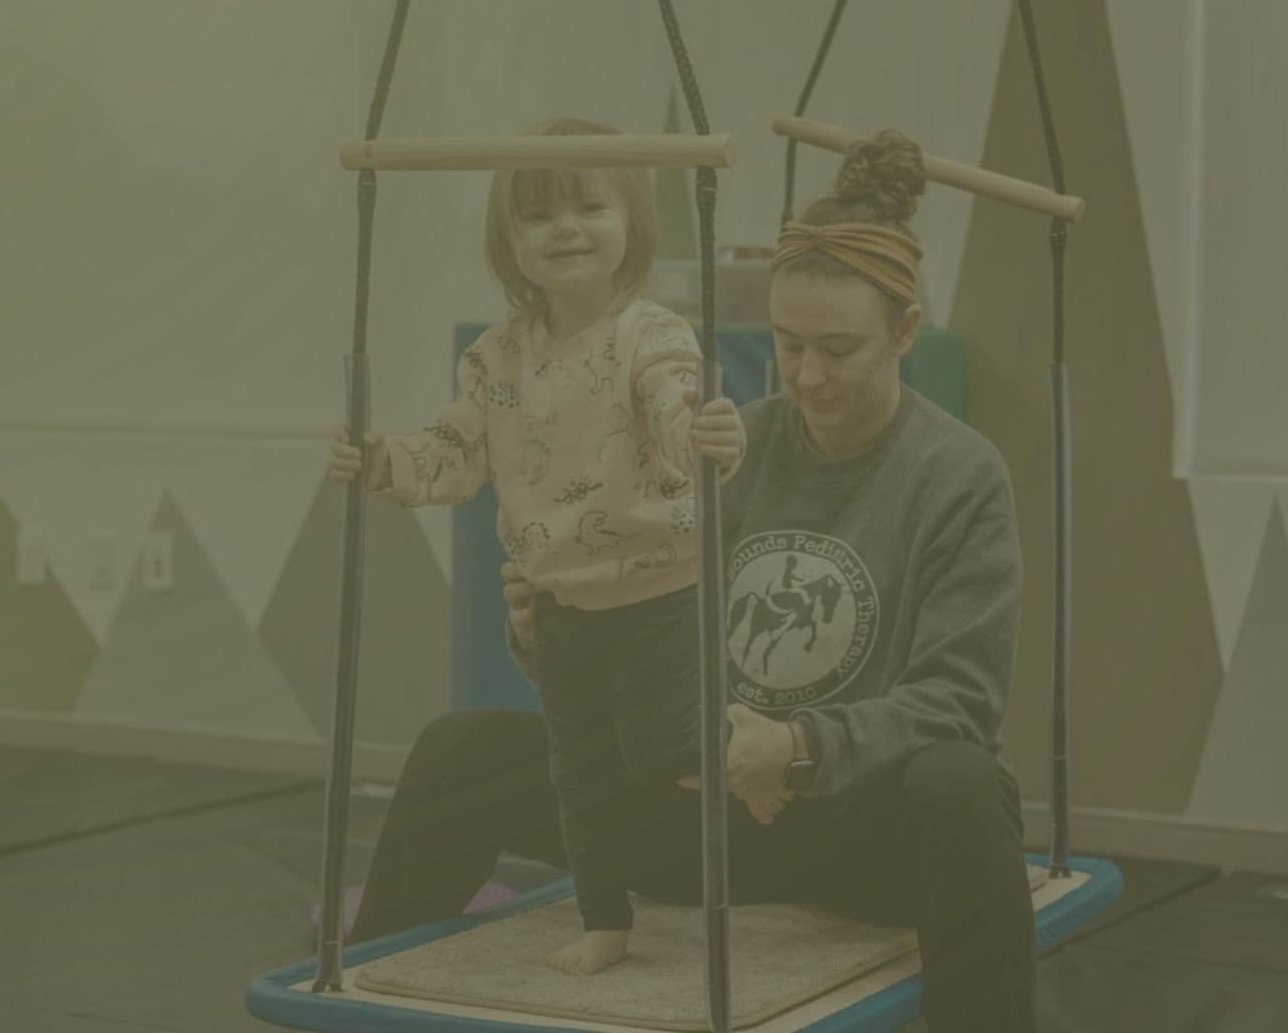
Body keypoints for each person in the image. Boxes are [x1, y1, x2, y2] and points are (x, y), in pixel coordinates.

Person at [353, 130, 1036, 1030]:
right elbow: (634, 666)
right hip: (702, 814)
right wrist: (550, 625)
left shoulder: (959, 474)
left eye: (839, 348)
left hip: (851, 830)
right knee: (460, 751)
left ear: (906, 332)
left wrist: (794, 746)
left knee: (960, 783)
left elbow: (956, 701)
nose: (807, 375)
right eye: (788, 344)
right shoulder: (726, 447)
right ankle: (352, 1007)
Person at [327, 117, 747, 976]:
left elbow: (680, 408)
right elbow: (452, 449)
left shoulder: (653, 335)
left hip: (664, 589)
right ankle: (604, 921)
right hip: (563, 601)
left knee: (661, 750)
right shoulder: (495, 360)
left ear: (629, 221)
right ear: (508, 240)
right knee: (580, 777)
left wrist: (706, 435)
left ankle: (755, 757)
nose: (566, 229)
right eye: (539, 216)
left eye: (590, 206)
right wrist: (382, 461)